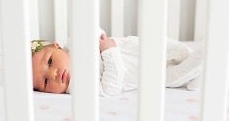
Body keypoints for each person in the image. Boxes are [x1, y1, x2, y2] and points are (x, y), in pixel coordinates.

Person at [30, 29, 203, 96]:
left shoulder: (74, 43)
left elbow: (95, 30)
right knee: (177, 76)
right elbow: (110, 89)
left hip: (140, 48)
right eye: (45, 82)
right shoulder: (76, 87)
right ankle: (205, 56)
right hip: (149, 76)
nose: (52, 74)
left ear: (57, 46)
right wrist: (108, 52)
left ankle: (200, 72)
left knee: (177, 49)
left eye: (50, 61)